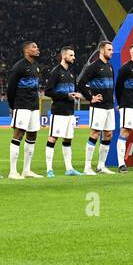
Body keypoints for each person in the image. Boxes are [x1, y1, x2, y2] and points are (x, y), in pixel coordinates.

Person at [6, 41, 45, 180]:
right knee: (18, 134)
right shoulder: (18, 67)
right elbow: (10, 89)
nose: (37, 48)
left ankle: (27, 170)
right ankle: (12, 171)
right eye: (34, 47)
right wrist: (13, 106)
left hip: (34, 106)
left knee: (32, 135)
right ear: (26, 51)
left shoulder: (35, 66)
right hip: (21, 105)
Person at [44, 46, 85, 176]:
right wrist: (66, 96)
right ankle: (49, 169)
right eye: (71, 55)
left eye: (74, 55)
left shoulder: (72, 73)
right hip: (59, 111)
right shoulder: (55, 72)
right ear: (64, 56)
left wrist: (77, 95)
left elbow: (73, 90)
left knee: (68, 139)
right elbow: (48, 91)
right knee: (53, 138)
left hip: (70, 112)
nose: (74, 58)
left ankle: (69, 168)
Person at [77, 41, 116, 174]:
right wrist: (91, 98)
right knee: (95, 133)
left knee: (109, 134)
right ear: (102, 51)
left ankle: (101, 166)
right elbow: (81, 83)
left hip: (109, 106)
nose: (111, 52)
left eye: (112, 50)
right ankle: (87, 167)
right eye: (109, 49)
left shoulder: (110, 67)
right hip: (98, 106)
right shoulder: (93, 67)